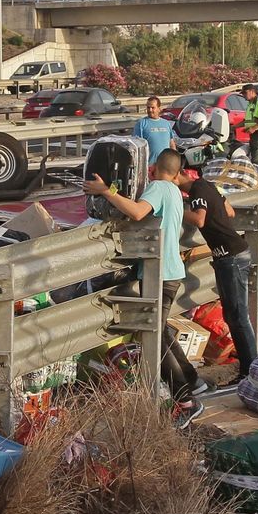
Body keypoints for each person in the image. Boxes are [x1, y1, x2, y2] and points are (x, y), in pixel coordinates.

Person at [83, 149, 207, 427]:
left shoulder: (158, 187)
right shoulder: (174, 190)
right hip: (170, 271)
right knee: (159, 331)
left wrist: (105, 191)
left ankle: (186, 400)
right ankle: (193, 381)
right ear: (177, 173)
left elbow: (138, 212)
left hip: (161, 273)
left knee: (153, 337)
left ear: (152, 168)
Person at [180, 167, 258, 380]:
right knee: (236, 315)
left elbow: (199, 220)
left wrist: (176, 208)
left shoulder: (197, 191)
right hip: (237, 252)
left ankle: (251, 371)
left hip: (230, 257)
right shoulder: (207, 185)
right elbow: (230, 211)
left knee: (237, 317)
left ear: (179, 176)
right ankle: (251, 368)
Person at [133, 95, 175, 164]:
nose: (150, 110)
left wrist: (175, 161)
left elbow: (171, 143)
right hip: (150, 166)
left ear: (159, 108)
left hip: (165, 166)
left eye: (153, 108)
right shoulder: (141, 123)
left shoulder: (166, 123)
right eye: (148, 107)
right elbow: (137, 146)